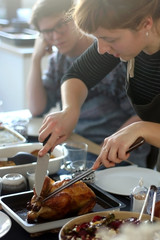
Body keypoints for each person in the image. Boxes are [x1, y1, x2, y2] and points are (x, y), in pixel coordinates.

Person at [38, 0, 158, 168]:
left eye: (109, 39)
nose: (101, 49)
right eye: (97, 38)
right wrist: (70, 109)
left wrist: (141, 129)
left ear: (146, 23)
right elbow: (77, 74)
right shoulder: (124, 41)